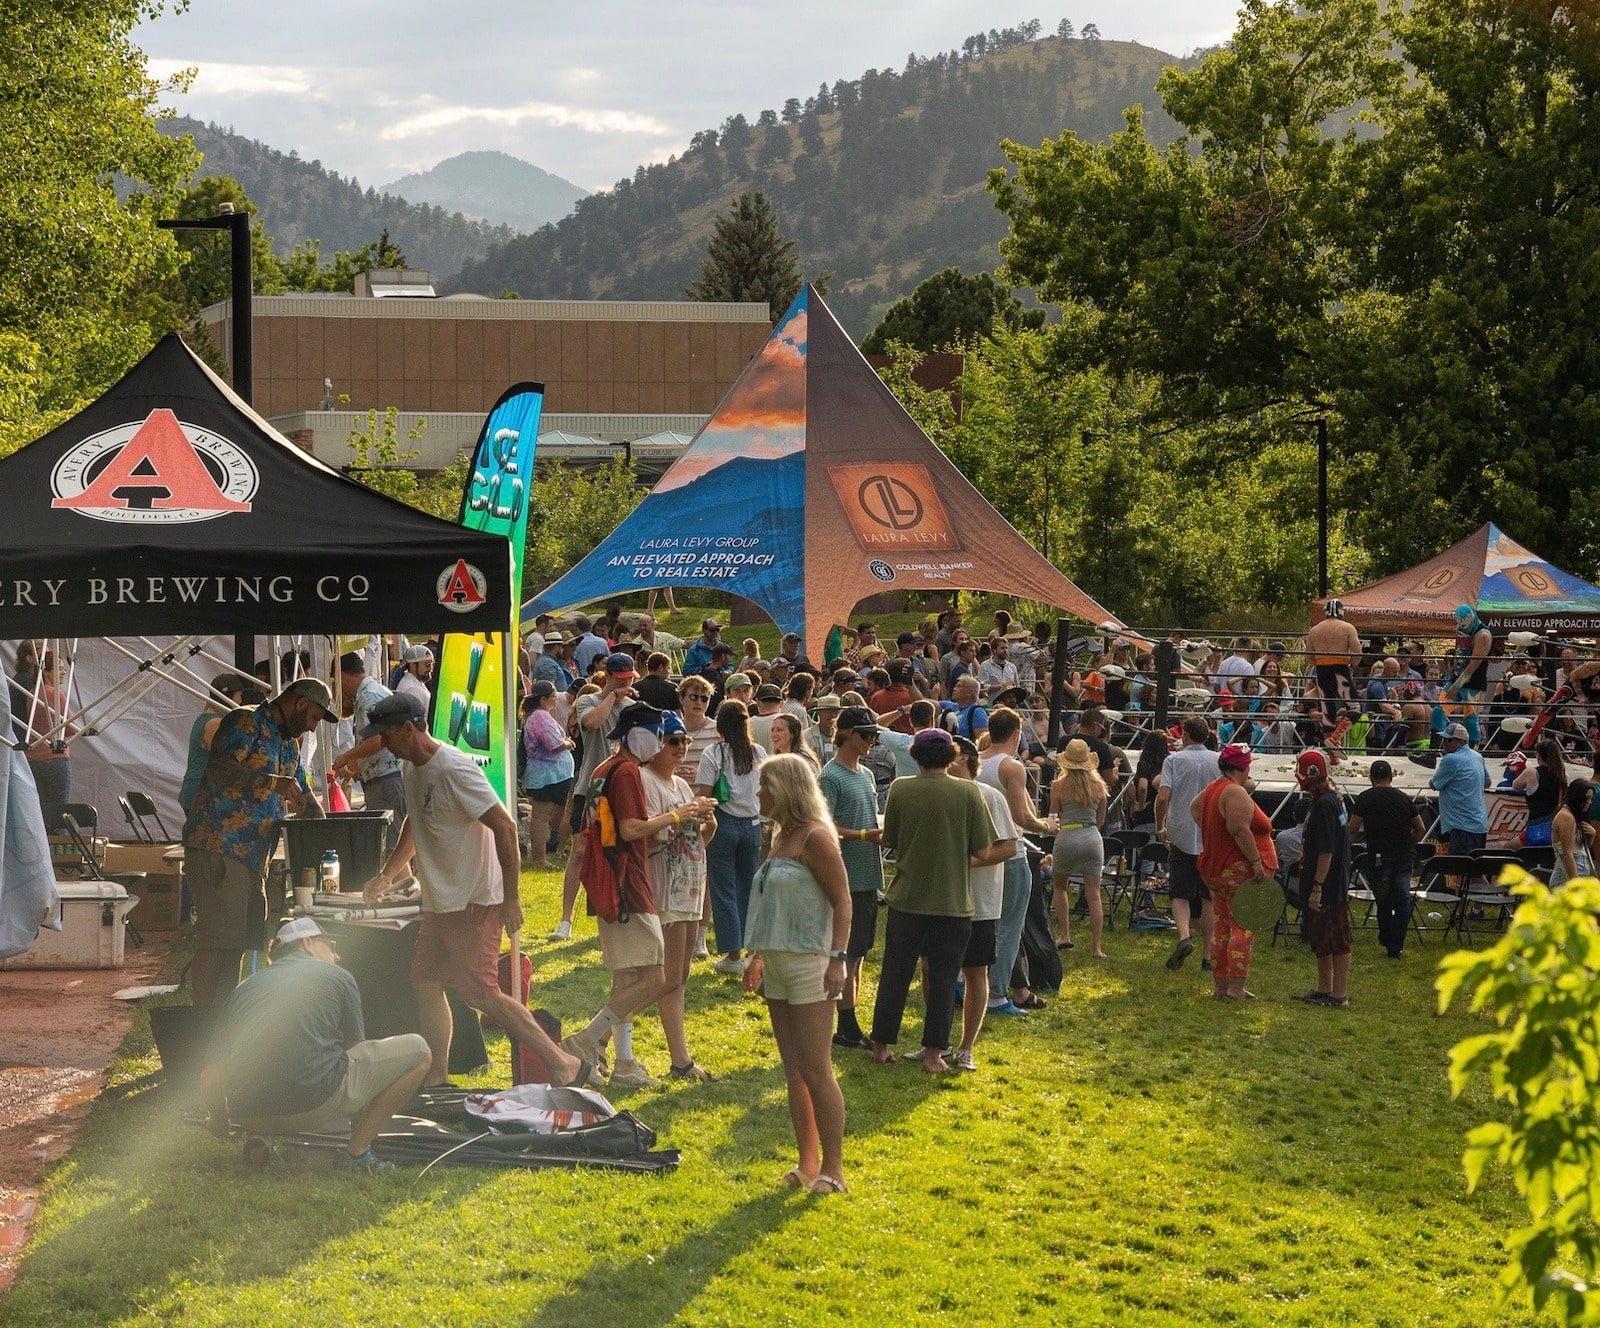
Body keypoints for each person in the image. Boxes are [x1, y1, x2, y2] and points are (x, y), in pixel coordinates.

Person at [358, 692, 593, 1089]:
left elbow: (503, 825)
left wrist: (512, 897)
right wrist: (386, 875)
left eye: (385, 735)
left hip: (474, 900)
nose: (381, 743)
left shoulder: (454, 769)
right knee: (425, 982)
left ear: (408, 728)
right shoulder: (412, 768)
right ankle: (438, 1077)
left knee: (482, 994)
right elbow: (414, 825)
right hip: (441, 901)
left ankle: (562, 1063)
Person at [563, 703, 719, 1089]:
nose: (665, 742)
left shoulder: (605, 767)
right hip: (627, 883)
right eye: (659, 734)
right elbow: (632, 829)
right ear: (638, 734)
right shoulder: (628, 771)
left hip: (612, 881)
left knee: (636, 975)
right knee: (654, 977)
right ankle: (586, 1039)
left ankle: (625, 1064)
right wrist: (680, 814)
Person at [200, 917, 431, 1172]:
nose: (337, 955)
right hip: (311, 1105)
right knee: (419, 1051)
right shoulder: (338, 976)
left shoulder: (242, 990)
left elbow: (211, 1077)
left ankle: (262, 1136)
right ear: (307, 943)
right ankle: (357, 1153)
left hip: (248, 1113)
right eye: (330, 945)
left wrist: (220, 1120)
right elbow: (356, 1051)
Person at [183, 677, 334, 1005]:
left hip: (253, 857)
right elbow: (220, 768)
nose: (312, 729)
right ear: (300, 704)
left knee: (237, 942)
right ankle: (203, 1020)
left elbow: (305, 800)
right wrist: (269, 782)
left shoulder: (289, 745)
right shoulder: (244, 721)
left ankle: (224, 1016)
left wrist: (330, 838)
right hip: (219, 844)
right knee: (217, 941)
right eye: (313, 719)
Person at [739, 754, 852, 1193]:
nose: (758, 793)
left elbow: (843, 901)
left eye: (765, 785)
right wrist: (759, 956)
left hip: (812, 963)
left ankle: (835, 1169)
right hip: (779, 963)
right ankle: (807, 1163)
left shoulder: (816, 838)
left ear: (786, 788)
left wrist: (839, 959)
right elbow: (773, 903)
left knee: (817, 1069)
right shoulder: (780, 835)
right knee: (793, 1072)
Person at [870, 728, 1003, 1075]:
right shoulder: (968, 792)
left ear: (915, 755)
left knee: (895, 974)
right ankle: (933, 1053)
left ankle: (881, 1045)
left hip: (907, 898)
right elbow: (984, 849)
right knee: (944, 980)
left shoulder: (901, 788)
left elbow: (893, 840)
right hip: (953, 901)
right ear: (952, 755)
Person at [637, 711, 718, 1080]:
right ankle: (599, 1036)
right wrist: (682, 816)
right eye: (673, 741)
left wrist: (707, 824)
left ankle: (680, 1059)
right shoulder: (645, 780)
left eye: (684, 741)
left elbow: (696, 841)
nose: (681, 747)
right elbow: (648, 836)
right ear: (655, 744)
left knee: (680, 975)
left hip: (689, 884)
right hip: (664, 885)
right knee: (664, 976)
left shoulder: (683, 786)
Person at [549, 652, 638, 943]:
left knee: (619, 853)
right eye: (621, 679)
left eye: (630, 679)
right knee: (579, 852)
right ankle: (565, 921)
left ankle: (614, 917)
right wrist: (613, 696)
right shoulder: (589, 699)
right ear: (609, 676)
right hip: (590, 787)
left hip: (621, 789)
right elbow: (592, 724)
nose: (627, 684)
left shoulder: (636, 707)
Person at [979, 707, 1058, 1015]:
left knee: (984, 922)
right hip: (1010, 852)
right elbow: (1021, 816)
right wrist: (1046, 826)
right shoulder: (1011, 767)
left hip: (981, 851)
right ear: (1016, 734)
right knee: (1010, 926)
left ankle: (975, 983)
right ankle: (997, 994)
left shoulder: (975, 760)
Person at [817, 707, 884, 1050]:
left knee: (858, 955)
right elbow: (822, 828)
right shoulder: (830, 777)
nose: (872, 740)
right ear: (846, 734)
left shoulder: (867, 775)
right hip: (845, 877)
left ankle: (849, 1025)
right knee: (845, 954)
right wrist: (862, 835)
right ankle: (845, 1028)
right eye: (866, 734)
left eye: (874, 735)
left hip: (868, 875)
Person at [951, 736, 1019, 1070]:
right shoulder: (940, 794)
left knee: (975, 972)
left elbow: (1009, 846)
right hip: (939, 900)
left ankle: (966, 1048)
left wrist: (967, 862)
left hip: (980, 902)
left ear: (962, 757)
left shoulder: (990, 796)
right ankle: (935, 1043)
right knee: (931, 969)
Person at [1191, 743, 1276, 1001]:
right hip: (1237, 869)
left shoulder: (1212, 790)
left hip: (1217, 868)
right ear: (1243, 766)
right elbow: (1239, 829)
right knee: (1242, 927)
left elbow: (1194, 809)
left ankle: (1221, 986)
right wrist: (1256, 861)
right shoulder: (1234, 792)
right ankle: (1236, 988)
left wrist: (1212, 830)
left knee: (1222, 926)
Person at [695, 698, 767, 975]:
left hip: (723, 823)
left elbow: (705, 794)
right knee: (748, 889)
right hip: (752, 825)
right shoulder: (758, 752)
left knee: (723, 889)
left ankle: (733, 955)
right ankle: (751, 951)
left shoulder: (714, 753)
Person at [1154, 716, 1220, 968]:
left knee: (1179, 892)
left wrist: (1161, 825)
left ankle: (1183, 935)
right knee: (1208, 898)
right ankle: (1207, 955)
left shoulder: (1173, 760)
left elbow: (1163, 796)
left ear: (1186, 735)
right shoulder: (1218, 761)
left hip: (1181, 830)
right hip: (1210, 834)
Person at [1293, 750, 1353, 1007]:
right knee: (1321, 936)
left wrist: (1317, 886)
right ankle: (1324, 988)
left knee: (1336, 938)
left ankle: (1338, 994)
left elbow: (1326, 849)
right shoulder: (1329, 800)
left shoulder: (1325, 804)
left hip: (1328, 883)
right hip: (1325, 879)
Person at [1348, 759, 1424, 959]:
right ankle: (1396, 944)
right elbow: (1420, 828)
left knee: (1383, 900)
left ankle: (1386, 935)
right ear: (1391, 778)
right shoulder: (1403, 798)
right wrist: (1411, 846)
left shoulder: (1365, 798)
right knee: (1402, 900)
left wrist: (1346, 846)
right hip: (1403, 855)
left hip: (1379, 856)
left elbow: (1353, 827)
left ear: (1371, 778)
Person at [330, 652, 407, 846]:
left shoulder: (368, 697)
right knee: (389, 849)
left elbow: (377, 740)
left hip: (387, 780)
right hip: (384, 778)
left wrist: (345, 757)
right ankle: (396, 878)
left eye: (335, 680)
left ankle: (394, 878)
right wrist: (353, 768)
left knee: (390, 849)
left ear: (342, 675)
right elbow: (372, 745)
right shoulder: (372, 693)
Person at [1049, 739, 1109, 959]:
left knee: (1060, 887)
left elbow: (1054, 818)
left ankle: (1065, 934)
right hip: (1092, 836)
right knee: (1093, 894)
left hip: (1067, 835)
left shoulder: (1058, 785)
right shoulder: (1099, 786)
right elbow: (1101, 820)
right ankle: (1097, 947)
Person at [178, 672, 260, 815]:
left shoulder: (207, 718)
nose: (240, 701)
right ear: (228, 696)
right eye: (239, 695)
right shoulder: (215, 723)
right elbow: (225, 757)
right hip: (201, 792)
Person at [519, 682, 575, 869]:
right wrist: (567, 743)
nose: (556, 698)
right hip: (546, 775)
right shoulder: (540, 717)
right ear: (542, 699)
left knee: (542, 817)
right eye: (553, 696)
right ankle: (540, 859)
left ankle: (541, 857)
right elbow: (554, 744)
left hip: (548, 774)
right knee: (541, 817)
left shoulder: (536, 716)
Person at [24, 651, 75, 816]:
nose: (63, 673)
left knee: (42, 812)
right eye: (59, 669)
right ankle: (59, 839)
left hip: (33, 757)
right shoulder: (56, 693)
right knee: (60, 811)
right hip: (55, 757)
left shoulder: (33, 693)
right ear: (45, 671)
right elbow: (71, 726)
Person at [1431, 721, 1490, 855]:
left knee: (1460, 870)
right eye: (1444, 739)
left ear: (1461, 741)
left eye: (1448, 740)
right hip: (1479, 824)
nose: (1444, 743)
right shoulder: (1477, 757)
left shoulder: (1450, 760)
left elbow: (1434, 784)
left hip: (1461, 825)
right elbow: (1487, 782)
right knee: (1475, 871)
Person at [1443, 603, 1495, 746]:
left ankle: (1473, 753)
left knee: (1471, 719)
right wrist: (1452, 673)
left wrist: (1456, 686)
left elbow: (1474, 665)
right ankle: (1432, 752)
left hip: (1474, 683)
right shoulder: (1460, 627)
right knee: (1439, 710)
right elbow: (1459, 651)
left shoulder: (1482, 635)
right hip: (1457, 676)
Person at [1305, 599, 1362, 704]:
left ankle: (1331, 720)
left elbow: (1308, 656)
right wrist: (1351, 664)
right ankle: (1345, 720)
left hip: (1322, 670)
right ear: (1341, 611)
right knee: (1355, 706)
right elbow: (1357, 652)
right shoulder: (1348, 628)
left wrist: (1318, 664)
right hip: (1340, 668)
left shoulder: (1315, 630)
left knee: (1327, 706)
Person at [1549, 779, 1595, 889]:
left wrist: (1592, 835)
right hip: (1566, 878)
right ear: (1577, 797)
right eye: (1586, 798)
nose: (1589, 803)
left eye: (1591, 799)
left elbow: (1580, 849)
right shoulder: (1566, 817)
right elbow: (1568, 853)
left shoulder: (1574, 816)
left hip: (1578, 871)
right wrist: (1575, 884)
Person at [394, 645, 434, 712]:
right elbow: (415, 720)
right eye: (427, 665)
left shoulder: (417, 683)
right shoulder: (413, 689)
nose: (431, 669)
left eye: (431, 664)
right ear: (413, 665)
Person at [804, 694, 842, 767]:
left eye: (836, 712)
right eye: (828, 711)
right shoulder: (807, 736)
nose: (833, 715)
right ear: (819, 713)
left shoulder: (840, 737)